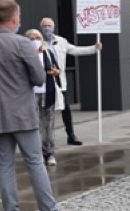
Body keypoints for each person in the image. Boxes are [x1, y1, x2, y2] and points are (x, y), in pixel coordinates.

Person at [0, 0, 76, 211]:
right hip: (23, 114)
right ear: (15, 18)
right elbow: (39, 77)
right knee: (35, 162)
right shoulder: (23, 44)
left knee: (5, 165)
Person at [39, 17, 102, 146]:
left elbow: (75, 50)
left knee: (65, 108)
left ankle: (71, 135)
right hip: (44, 81)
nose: (47, 28)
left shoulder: (61, 41)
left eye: (49, 26)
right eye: (44, 26)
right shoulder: (38, 42)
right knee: (45, 110)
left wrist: (94, 48)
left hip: (59, 80)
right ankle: (45, 138)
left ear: (54, 27)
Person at [25, 28, 60, 166]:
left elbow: (57, 69)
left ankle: (50, 152)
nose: (35, 41)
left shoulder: (48, 52)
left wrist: (56, 72)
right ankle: (37, 153)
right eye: (31, 39)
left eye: (37, 38)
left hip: (48, 91)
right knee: (35, 124)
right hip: (32, 93)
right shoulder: (26, 55)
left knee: (49, 124)